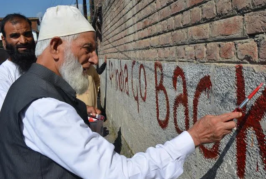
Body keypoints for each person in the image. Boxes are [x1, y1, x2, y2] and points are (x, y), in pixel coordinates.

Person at [0, 6, 241, 179]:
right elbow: (118, 173)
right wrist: (194, 137)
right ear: (55, 47)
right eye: (87, 49)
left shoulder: (34, 88)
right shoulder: (44, 106)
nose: (95, 59)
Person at [0, 13, 36, 109]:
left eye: (27, 34)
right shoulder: (3, 74)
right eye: (15, 36)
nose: (23, 41)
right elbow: (8, 112)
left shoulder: (42, 64)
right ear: (4, 40)